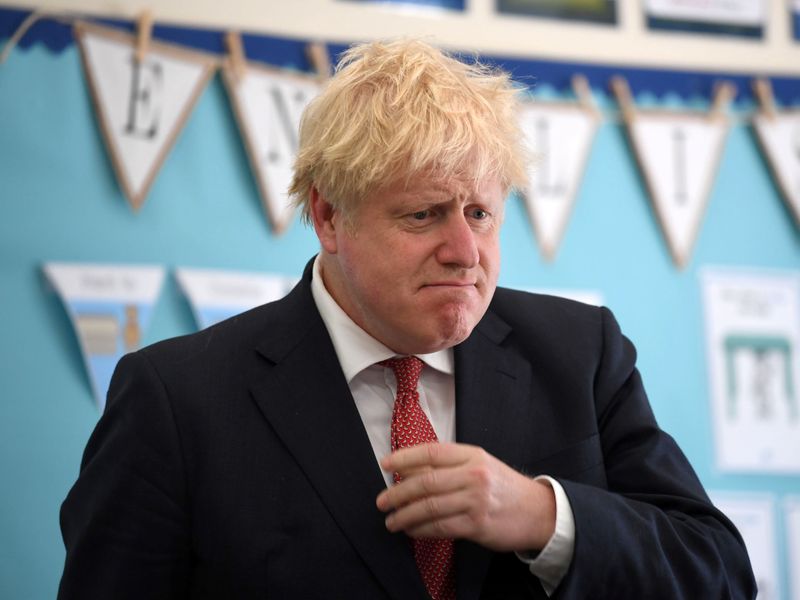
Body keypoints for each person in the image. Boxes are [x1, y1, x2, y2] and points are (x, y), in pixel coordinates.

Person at [58, 39, 756, 599]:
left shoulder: (580, 353)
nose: (464, 252)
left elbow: (719, 574)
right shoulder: (178, 400)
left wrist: (544, 517)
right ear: (329, 217)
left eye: (480, 213)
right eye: (423, 214)